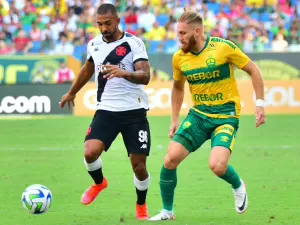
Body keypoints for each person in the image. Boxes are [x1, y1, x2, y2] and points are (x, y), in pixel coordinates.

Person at [149, 9, 266, 221]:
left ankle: (238, 185)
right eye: (178, 33)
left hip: (225, 115)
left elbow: (253, 70)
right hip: (199, 115)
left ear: (198, 31)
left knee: (217, 166)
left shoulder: (223, 47)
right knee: (170, 159)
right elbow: (177, 87)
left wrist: (260, 104)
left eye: (183, 33)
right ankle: (167, 211)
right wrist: (174, 119)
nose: (179, 38)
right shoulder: (179, 58)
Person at [59, 3, 151, 220]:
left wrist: (124, 72)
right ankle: (99, 183)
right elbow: (88, 69)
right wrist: (72, 92)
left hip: (134, 112)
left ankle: (141, 204)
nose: (104, 28)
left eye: (108, 24)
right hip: (106, 110)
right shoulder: (94, 44)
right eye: (100, 24)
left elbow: (145, 76)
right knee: (89, 152)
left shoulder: (134, 43)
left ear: (117, 21)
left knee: (139, 167)